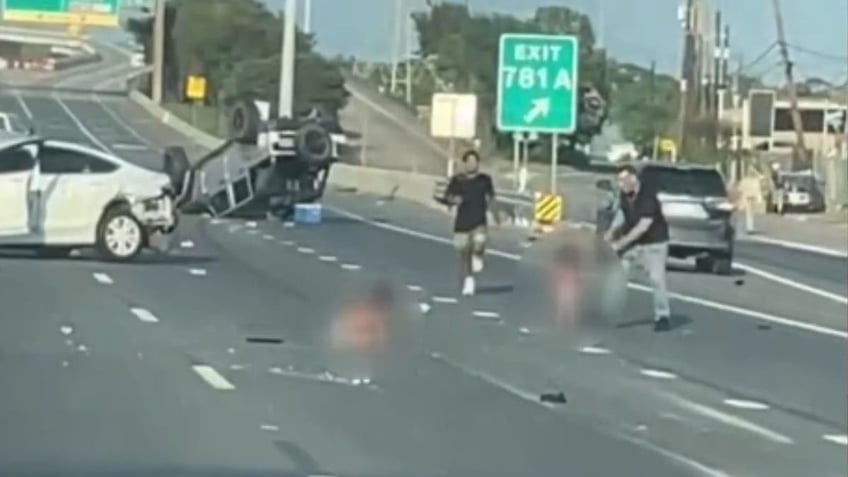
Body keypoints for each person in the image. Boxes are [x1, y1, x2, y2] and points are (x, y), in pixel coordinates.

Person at [603, 164, 672, 332]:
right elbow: (621, 215)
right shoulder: (624, 195)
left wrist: (620, 244)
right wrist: (609, 235)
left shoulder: (648, 196)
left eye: (624, 180)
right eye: (618, 181)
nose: (620, 184)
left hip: (654, 244)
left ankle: (662, 316)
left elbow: (643, 226)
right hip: (633, 244)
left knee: (657, 279)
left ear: (634, 179)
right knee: (617, 276)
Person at [445, 150, 495, 296]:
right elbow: (448, 196)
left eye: (475, 161)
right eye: (469, 161)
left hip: (479, 220)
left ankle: (478, 255)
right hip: (462, 223)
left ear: (478, 164)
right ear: (465, 163)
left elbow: (491, 196)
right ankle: (469, 279)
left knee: (479, 242)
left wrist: (494, 210)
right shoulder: (458, 180)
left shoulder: (484, 180)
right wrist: (454, 200)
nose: (472, 164)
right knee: (464, 253)